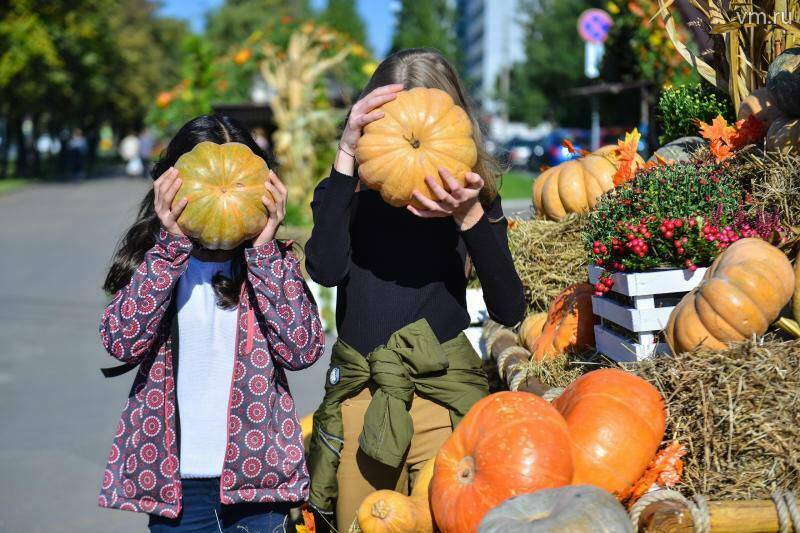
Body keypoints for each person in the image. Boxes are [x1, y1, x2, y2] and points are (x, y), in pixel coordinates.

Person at [304, 48, 526, 530]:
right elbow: (324, 269)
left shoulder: (473, 198)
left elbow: (509, 307)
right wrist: (346, 156)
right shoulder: (342, 193)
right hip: (363, 395)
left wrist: (467, 215)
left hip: (441, 396)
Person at [98, 114, 324, 531]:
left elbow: (303, 350)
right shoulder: (157, 263)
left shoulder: (269, 264)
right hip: (178, 488)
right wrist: (169, 247)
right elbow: (121, 341)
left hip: (259, 486)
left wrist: (263, 250)